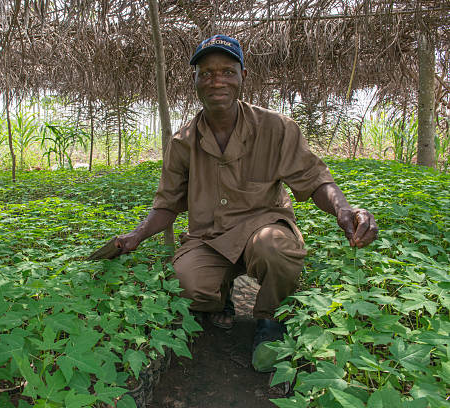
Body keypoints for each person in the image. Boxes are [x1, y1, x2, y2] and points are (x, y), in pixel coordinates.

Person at [114, 35, 378, 372]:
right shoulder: (182, 142)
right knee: (187, 285)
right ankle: (220, 294)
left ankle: (270, 319)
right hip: (209, 237)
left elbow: (314, 179)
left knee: (275, 249)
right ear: (194, 81)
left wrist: (343, 208)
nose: (216, 80)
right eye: (206, 73)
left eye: (226, 71)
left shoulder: (277, 128)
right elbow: (167, 203)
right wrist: (136, 235)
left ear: (242, 77)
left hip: (262, 227)